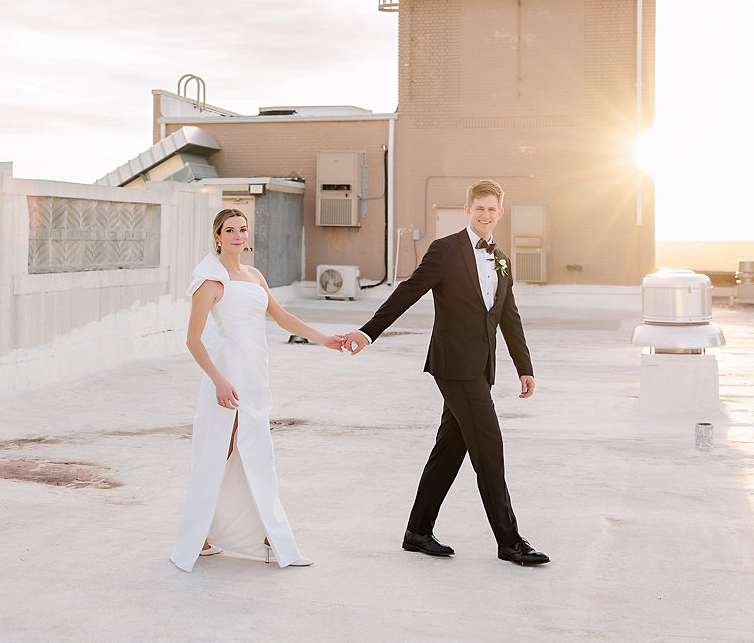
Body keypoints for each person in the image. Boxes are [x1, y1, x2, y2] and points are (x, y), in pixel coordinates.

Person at [342, 179, 548, 566]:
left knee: (449, 452)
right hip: (454, 366)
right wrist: (368, 332)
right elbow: (408, 292)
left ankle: (417, 532)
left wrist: (525, 367)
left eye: (492, 209)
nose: (486, 215)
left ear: (499, 214)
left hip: (481, 367)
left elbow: (508, 316)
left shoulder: (500, 258)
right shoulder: (445, 250)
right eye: (479, 208)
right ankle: (510, 541)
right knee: (489, 450)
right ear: (467, 210)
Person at [170, 208, 346, 572]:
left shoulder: (254, 275)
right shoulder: (211, 280)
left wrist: (324, 339)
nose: (238, 235)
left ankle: (220, 532)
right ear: (217, 236)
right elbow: (193, 340)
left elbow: (283, 318)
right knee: (229, 451)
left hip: (255, 372)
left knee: (245, 450)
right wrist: (219, 380)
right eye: (229, 230)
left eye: (243, 229)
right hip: (229, 373)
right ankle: (251, 534)